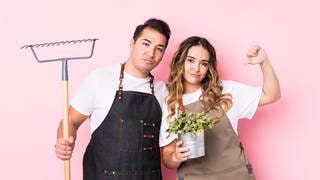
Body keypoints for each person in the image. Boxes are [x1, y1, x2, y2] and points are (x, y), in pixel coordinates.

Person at [54, 18, 171, 180]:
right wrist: (64, 140)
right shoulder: (99, 79)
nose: (151, 53)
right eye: (146, 43)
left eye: (159, 49)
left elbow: (169, 149)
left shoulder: (163, 92)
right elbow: (70, 121)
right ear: (132, 43)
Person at [160, 36, 281, 180]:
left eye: (203, 63)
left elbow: (272, 95)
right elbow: (167, 156)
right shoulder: (171, 103)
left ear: (209, 67)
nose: (196, 68)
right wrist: (175, 157)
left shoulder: (225, 91)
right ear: (180, 61)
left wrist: (264, 62)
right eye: (190, 60)